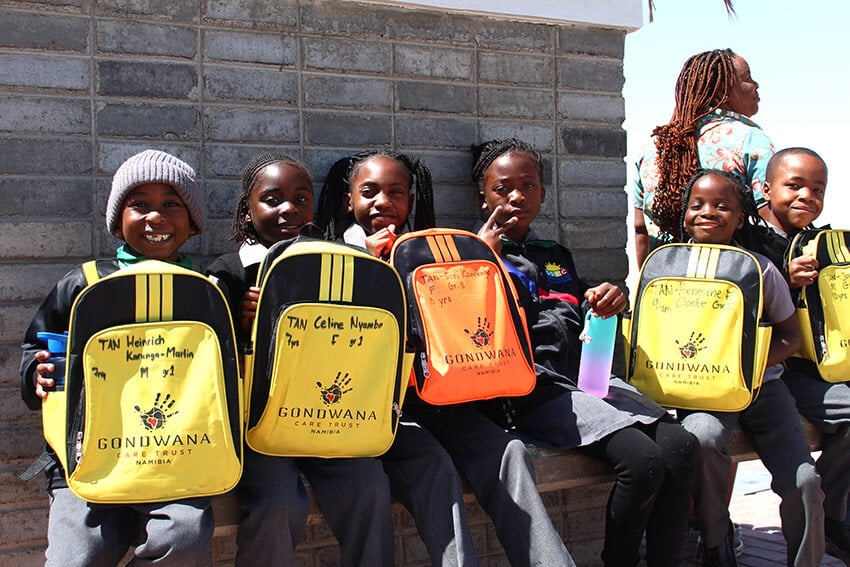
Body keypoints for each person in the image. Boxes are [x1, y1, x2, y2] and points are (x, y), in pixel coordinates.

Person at [317, 149, 575, 567]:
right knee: (434, 466)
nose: (384, 202)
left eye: (396, 193)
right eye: (369, 192)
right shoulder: (327, 254)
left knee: (508, 452)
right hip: (365, 408)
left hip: (434, 397)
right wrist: (365, 260)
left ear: (411, 201)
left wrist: (480, 261)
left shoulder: (425, 250)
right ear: (349, 201)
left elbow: (469, 321)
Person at [471, 138, 696, 567]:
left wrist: (608, 299)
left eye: (528, 185)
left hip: (584, 382)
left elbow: (577, 314)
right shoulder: (466, 253)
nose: (517, 195)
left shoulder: (555, 254)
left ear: (542, 193)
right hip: (528, 391)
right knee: (643, 460)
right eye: (503, 188)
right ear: (484, 198)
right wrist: (483, 260)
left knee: (682, 448)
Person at [20, 149, 215, 565]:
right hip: (89, 457)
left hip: (179, 459)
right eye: (138, 203)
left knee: (185, 538)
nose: (155, 216)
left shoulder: (207, 289)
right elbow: (39, 344)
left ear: (193, 223)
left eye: (171, 204)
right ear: (117, 219)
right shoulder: (84, 282)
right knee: (76, 557)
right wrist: (34, 373)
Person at [205, 152, 396, 566]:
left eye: (301, 198)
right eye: (272, 199)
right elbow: (204, 362)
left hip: (331, 418)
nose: (289, 209)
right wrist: (238, 324)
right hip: (257, 428)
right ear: (247, 209)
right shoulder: (229, 272)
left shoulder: (336, 262)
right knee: (278, 504)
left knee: (369, 486)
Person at [676, 168, 824, 566]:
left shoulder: (760, 270)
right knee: (702, 440)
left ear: (740, 219)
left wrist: (745, 367)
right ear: (685, 213)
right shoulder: (665, 266)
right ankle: (715, 539)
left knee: (805, 481)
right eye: (698, 205)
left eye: (722, 206)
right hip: (700, 391)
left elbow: (790, 337)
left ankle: (806, 559)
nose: (708, 212)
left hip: (762, 386)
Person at [747, 148, 850, 564]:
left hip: (821, 364)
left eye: (818, 189)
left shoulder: (820, 242)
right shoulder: (748, 240)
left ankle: (829, 511)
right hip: (775, 370)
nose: (807, 196)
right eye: (795, 185)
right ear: (766, 189)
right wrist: (784, 283)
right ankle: (831, 518)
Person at [634, 48, 774, 266]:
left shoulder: (652, 148)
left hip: (666, 278)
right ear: (721, 90)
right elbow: (769, 222)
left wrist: (647, 281)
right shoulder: (749, 140)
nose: (756, 85)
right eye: (747, 78)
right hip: (733, 281)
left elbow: (640, 229)